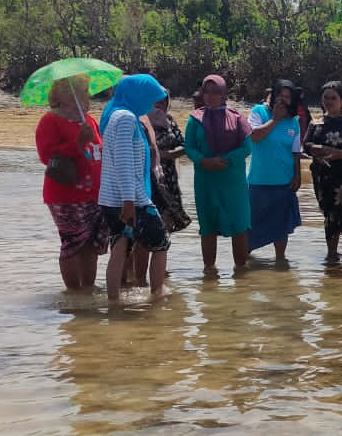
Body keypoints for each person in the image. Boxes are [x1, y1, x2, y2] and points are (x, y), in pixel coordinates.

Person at [97, 74, 170, 302]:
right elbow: (124, 163)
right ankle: (158, 296)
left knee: (119, 247)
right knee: (160, 243)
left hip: (111, 198)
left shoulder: (115, 114)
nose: (153, 104)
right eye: (150, 97)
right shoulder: (126, 118)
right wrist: (129, 202)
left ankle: (113, 301)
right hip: (131, 199)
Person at [35, 75, 107, 292]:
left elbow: (98, 151)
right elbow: (47, 156)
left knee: (91, 246)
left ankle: (88, 289)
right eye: (83, 91)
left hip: (94, 193)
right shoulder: (50, 121)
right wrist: (77, 143)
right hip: (66, 194)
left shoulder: (89, 120)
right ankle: (74, 294)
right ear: (65, 96)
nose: (88, 96)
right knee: (73, 244)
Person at [185, 74, 252, 275]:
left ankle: (241, 272)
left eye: (216, 92)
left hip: (232, 180)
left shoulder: (238, 118)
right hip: (206, 179)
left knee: (239, 225)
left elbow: (247, 147)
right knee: (207, 226)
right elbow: (189, 147)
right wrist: (203, 160)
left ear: (224, 94)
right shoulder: (194, 119)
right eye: (207, 91)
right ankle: (210, 272)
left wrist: (226, 159)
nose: (211, 96)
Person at [304, 81, 342, 261]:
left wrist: (339, 154)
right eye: (326, 98)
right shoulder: (316, 123)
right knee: (330, 215)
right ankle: (331, 256)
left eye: (333, 98)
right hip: (324, 179)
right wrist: (318, 149)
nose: (329, 101)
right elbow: (306, 146)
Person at [247, 80, 304, 262]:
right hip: (259, 182)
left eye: (287, 97)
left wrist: (298, 174)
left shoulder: (293, 122)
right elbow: (253, 136)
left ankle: (280, 262)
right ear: (273, 95)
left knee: (281, 228)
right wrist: (274, 120)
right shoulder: (258, 112)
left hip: (284, 183)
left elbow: (296, 152)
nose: (283, 100)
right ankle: (244, 266)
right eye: (280, 96)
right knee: (251, 228)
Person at [146, 96, 193, 236]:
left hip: (169, 177)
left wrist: (168, 154)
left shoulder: (170, 121)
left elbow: (185, 145)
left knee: (167, 224)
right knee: (150, 224)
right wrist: (154, 153)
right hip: (150, 178)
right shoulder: (142, 121)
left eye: (164, 101)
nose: (160, 104)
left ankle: (162, 256)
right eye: (157, 100)